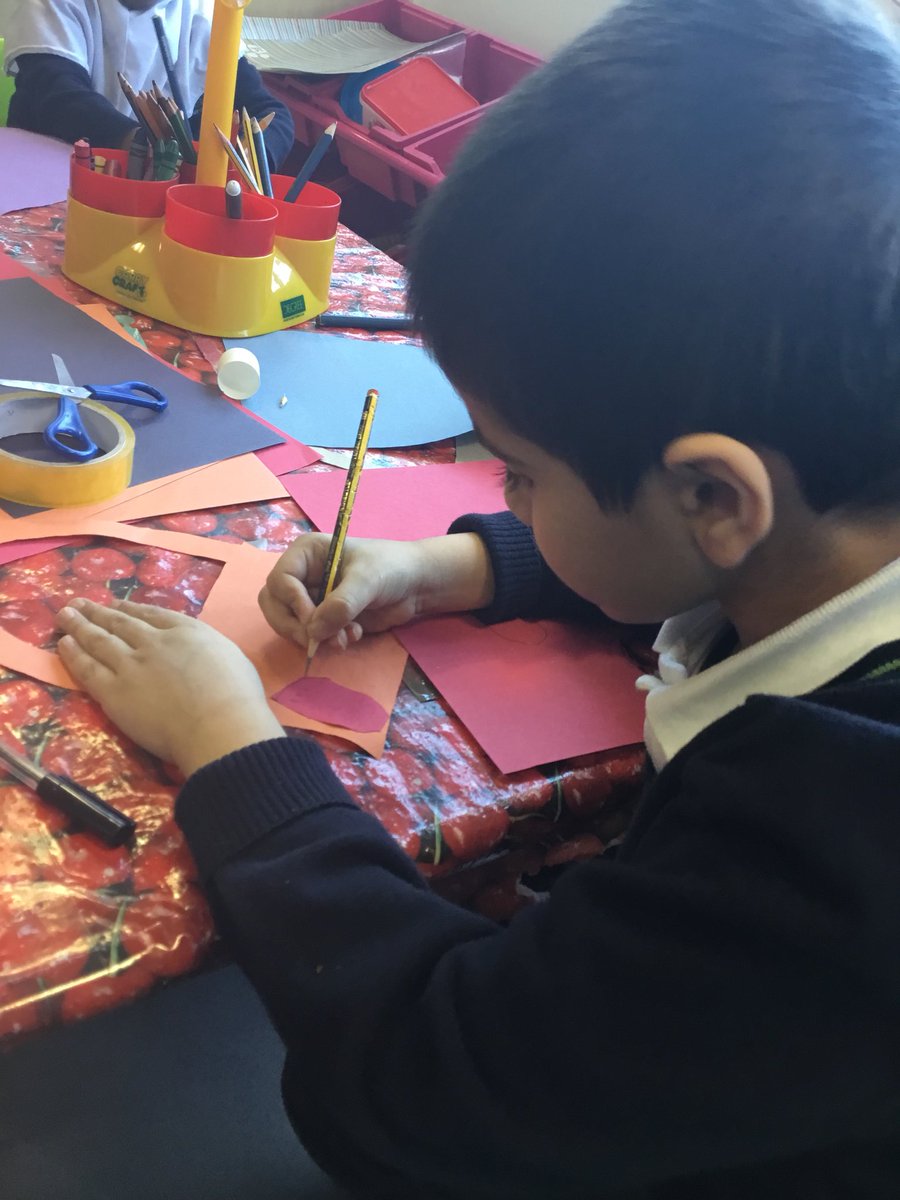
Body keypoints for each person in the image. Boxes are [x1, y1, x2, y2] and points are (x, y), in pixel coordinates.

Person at [55, 0, 900, 1195]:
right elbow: (710, 550)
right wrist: (453, 563)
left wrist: (231, 741)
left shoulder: (823, 847)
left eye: (520, 469)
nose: (502, 486)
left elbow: (434, 1091)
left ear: (716, 493)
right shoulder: (841, 501)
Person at [4, 0, 294, 168]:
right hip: (46, 181)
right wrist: (141, 144)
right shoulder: (49, 4)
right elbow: (58, 97)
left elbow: (269, 112)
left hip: (152, 197)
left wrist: (247, 160)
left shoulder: (204, 12)